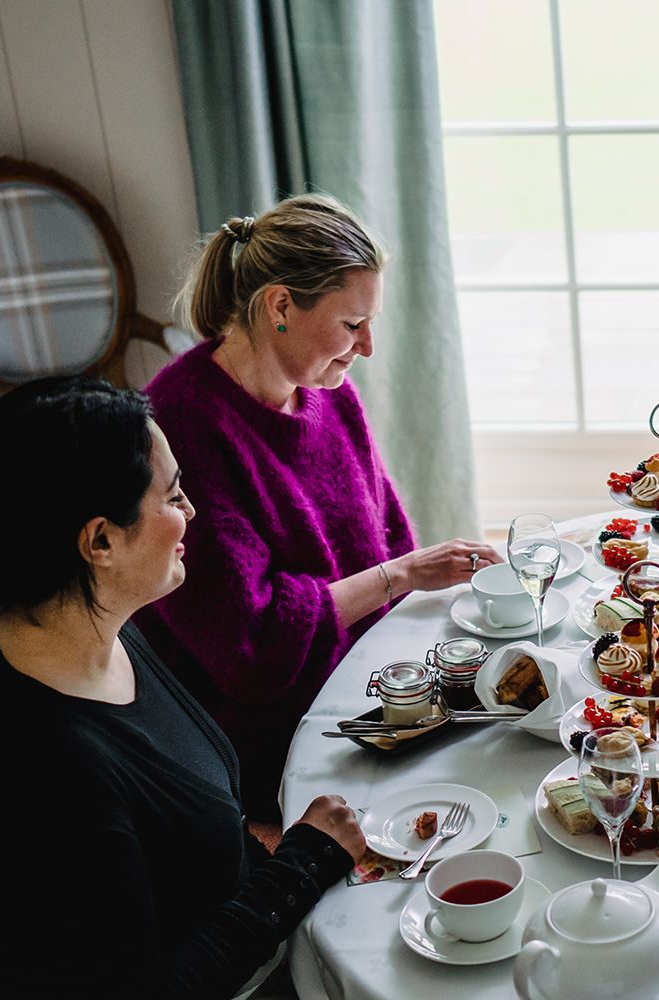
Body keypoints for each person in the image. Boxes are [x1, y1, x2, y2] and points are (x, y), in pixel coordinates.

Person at [0, 376, 365, 999]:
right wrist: (302, 863)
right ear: (100, 541)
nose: (190, 511)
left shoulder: (77, 622)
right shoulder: (50, 766)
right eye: (172, 496)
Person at [137, 194, 500, 821]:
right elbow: (251, 648)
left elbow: (388, 539)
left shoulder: (329, 394)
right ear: (280, 306)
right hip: (273, 734)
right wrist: (402, 575)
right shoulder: (185, 424)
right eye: (352, 324)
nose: (368, 347)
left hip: (369, 683)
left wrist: (418, 614)